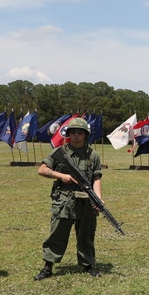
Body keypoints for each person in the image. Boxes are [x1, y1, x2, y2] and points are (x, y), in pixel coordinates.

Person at [35, 117, 105, 279]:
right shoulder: (60, 152)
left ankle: (88, 265)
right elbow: (43, 169)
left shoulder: (92, 155)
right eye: (72, 132)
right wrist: (61, 176)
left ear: (85, 135)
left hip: (86, 201)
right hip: (64, 201)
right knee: (57, 234)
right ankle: (48, 267)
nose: (76, 136)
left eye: (80, 133)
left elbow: (96, 178)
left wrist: (98, 198)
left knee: (86, 235)